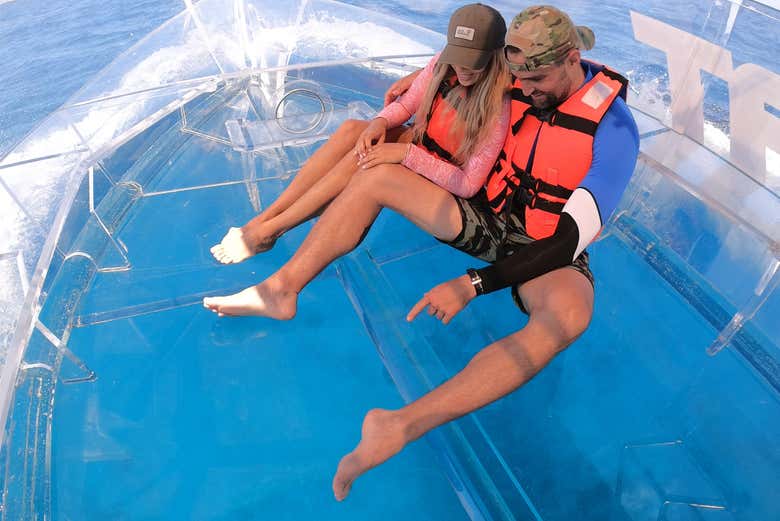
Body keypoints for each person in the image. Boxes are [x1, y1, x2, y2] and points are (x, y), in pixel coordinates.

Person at [218, 4, 640, 502]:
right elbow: (461, 57)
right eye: (518, 77)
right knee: (376, 175)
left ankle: (398, 425)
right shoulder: (521, 69)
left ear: (572, 59)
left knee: (569, 316)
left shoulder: (615, 132)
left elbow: (567, 242)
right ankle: (280, 289)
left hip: (546, 242)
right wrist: (409, 80)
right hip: (485, 211)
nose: (524, 90)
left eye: (537, 79)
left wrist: (474, 283)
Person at [209, 3, 509, 267]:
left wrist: (404, 154)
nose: (464, 68)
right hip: (424, 149)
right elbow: (406, 105)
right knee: (355, 129)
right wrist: (380, 121)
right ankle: (264, 219)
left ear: (496, 54)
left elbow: (468, 185)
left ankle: (270, 231)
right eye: (459, 56)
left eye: (474, 59)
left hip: (449, 181)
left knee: (365, 159)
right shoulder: (444, 63)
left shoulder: (499, 104)